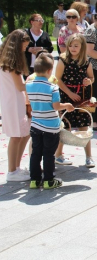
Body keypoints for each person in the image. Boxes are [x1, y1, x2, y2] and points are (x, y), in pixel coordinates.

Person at [26, 52, 74, 189]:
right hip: (50, 127)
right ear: (49, 71)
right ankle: (49, 180)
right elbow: (56, 106)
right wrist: (67, 106)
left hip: (35, 125)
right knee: (48, 154)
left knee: (36, 153)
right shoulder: (53, 88)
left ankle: (34, 180)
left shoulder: (29, 85)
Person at [54, 34, 95, 168]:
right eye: (70, 45)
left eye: (76, 45)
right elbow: (57, 79)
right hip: (67, 96)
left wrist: (89, 81)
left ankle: (89, 157)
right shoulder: (63, 59)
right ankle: (58, 155)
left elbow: (92, 77)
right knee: (65, 126)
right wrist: (69, 93)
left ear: (82, 47)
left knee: (84, 126)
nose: (72, 48)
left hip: (82, 96)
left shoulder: (86, 61)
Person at [0, 30, 32, 181]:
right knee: (16, 136)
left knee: (24, 134)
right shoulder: (11, 63)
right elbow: (20, 86)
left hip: (15, 102)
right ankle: (12, 171)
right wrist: (36, 82)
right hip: (13, 104)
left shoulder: (7, 60)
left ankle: (16, 168)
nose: (24, 49)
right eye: (23, 47)